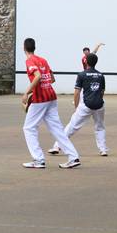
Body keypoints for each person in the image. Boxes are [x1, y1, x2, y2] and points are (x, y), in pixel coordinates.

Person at [21, 38, 81, 169]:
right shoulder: (43, 60)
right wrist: (43, 85)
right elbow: (52, 78)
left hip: (40, 99)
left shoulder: (30, 61)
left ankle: (38, 159)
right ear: (34, 47)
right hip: (51, 96)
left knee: (29, 128)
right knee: (57, 129)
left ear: (24, 48)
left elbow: (37, 76)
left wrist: (26, 93)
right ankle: (73, 156)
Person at [48, 53, 108, 157]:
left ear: (86, 62)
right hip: (99, 105)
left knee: (72, 126)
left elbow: (76, 93)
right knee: (100, 127)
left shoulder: (82, 75)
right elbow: (102, 92)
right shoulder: (101, 76)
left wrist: (76, 107)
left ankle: (57, 146)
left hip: (86, 105)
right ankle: (103, 150)